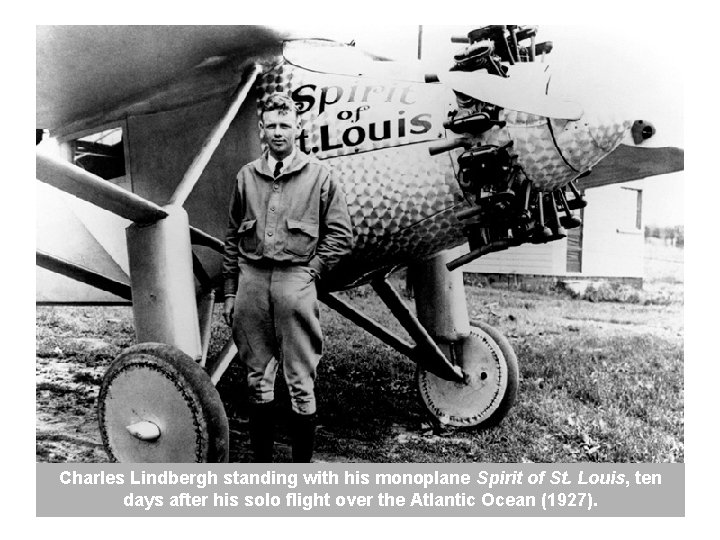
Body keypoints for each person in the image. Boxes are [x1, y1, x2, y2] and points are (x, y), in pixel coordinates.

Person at [222, 92, 353, 463]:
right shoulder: (246, 177)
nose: (279, 132)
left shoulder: (319, 176)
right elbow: (231, 236)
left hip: (296, 281)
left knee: (300, 380)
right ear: (262, 130)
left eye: (286, 125)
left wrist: (313, 270)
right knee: (257, 378)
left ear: (298, 129)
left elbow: (341, 234)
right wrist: (230, 292)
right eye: (272, 126)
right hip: (251, 282)